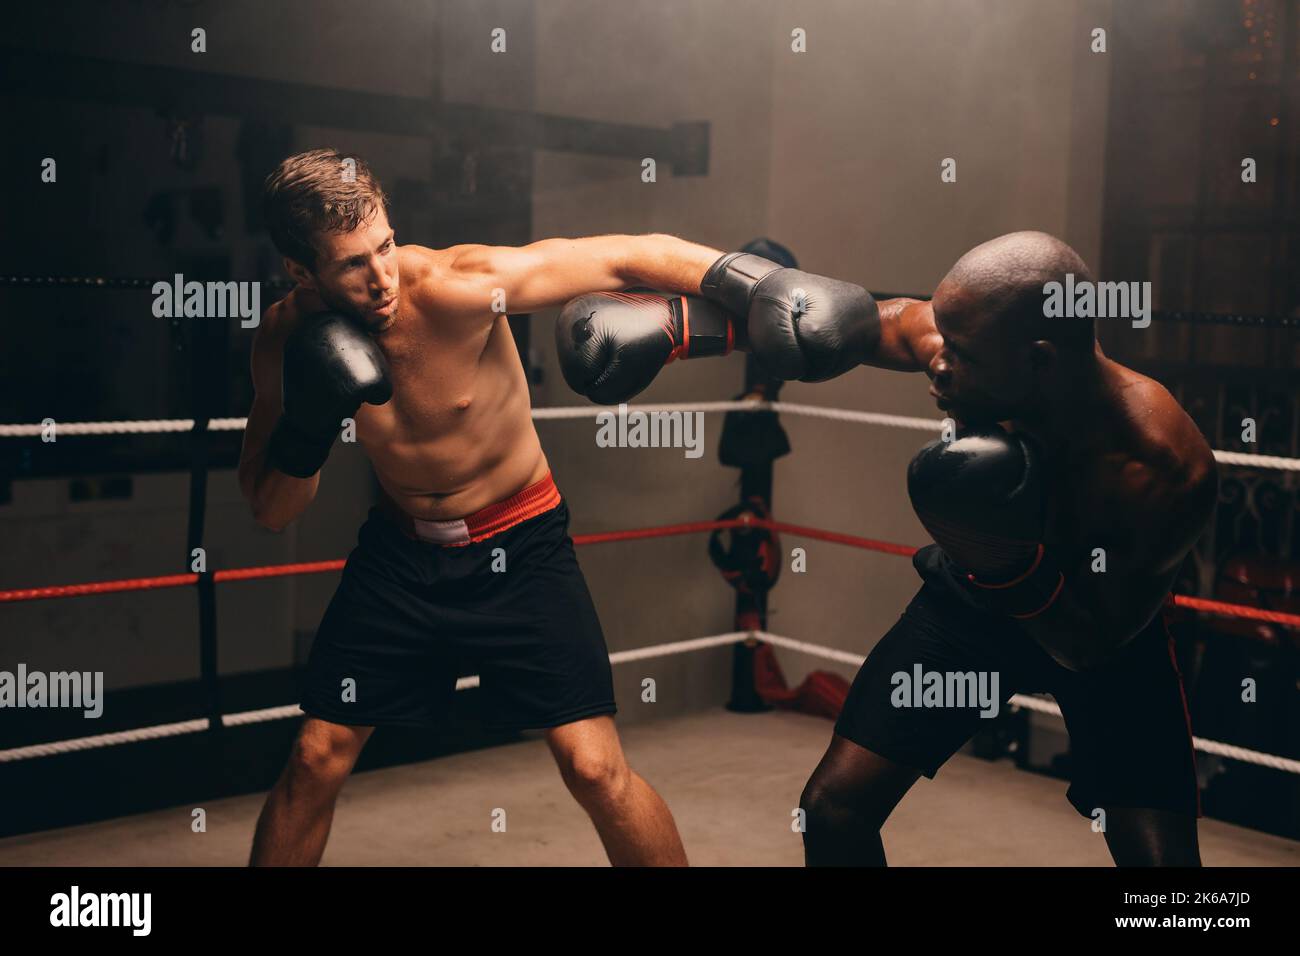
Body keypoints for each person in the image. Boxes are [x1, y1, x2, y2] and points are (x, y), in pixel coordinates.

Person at [240, 148, 872, 865]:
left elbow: (628, 256)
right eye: (352, 263)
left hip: (521, 543)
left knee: (594, 767)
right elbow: (271, 509)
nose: (381, 275)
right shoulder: (282, 342)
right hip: (402, 556)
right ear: (301, 272)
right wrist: (308, 426)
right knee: (314, 757)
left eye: (385, 245)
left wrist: (765, 285)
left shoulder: (455, 285)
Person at [560, 230, 1216, 866]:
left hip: (1102, 626)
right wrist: (687, 327)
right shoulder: (977, 338)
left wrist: (1007, 560)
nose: (936, 361)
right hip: (973, 606)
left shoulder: (1160, 463)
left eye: (960, 356)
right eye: (942, 339)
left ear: (1040, 360)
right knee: (833, 809)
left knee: (1163, 872)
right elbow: (831, 321)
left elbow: (1089, 642)